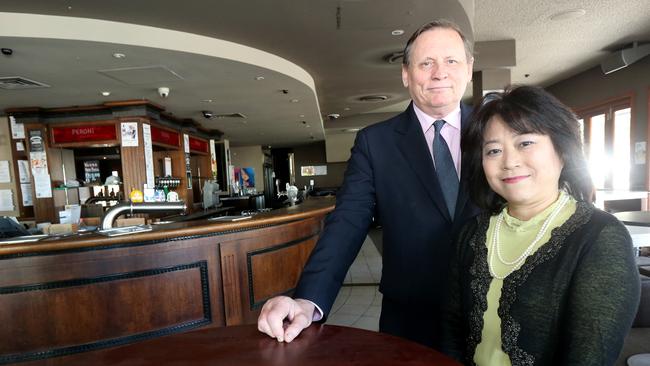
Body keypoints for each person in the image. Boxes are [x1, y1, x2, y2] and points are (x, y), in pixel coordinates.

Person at [257, 19, 479, 348]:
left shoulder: (496, 131)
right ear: (406, 73)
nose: (439, 73)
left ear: (469, 68)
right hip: (410, 320)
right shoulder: (375, 143)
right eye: (426, 62)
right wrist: (307, 300)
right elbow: (346, 222)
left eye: (451, 61)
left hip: (493, 310)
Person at [439, 85, 640, 365]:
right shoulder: (471, 233)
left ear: (563, 150)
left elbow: (589, 355)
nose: (509, 162)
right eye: (493, 150)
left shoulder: (600, 238)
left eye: (525, 143)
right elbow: (451, 329)